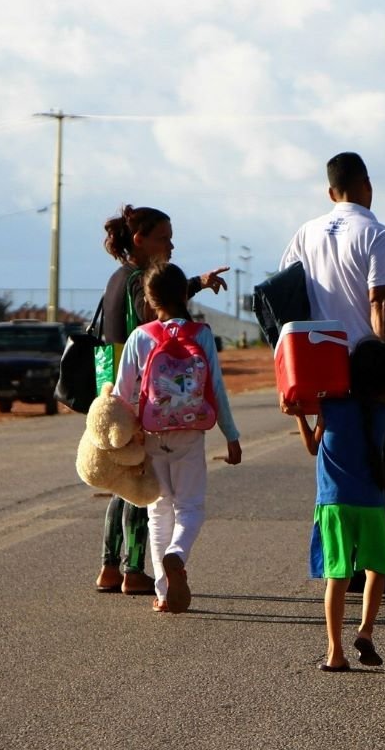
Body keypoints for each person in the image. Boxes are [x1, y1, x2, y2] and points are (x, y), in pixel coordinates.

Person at [94, 205, 229, 596]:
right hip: (143, 396)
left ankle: (109, 565)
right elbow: (157, 315)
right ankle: (135, 568)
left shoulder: (116, 278)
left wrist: (197, 282)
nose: (171, 245)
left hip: (112, 387)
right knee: (145, 486)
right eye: (164, 238)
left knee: (124, 479)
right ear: (140, 241)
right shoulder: (139, 281)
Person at [112, 262, 242, 613]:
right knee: (191, 507)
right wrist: (231, 435)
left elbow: (123, 395)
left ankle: (163, 592)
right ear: (184, 294)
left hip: (152, 434)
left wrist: (121, 440)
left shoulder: (140, 337)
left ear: (150, 299)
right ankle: (177, 555)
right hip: (190, 431)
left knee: (159, 513)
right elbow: (216, 387)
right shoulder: (201, 335)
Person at [283, 338, 385, 672]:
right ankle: (365, 630)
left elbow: (311, 447)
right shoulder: (382, 414)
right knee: (376, 569)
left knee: (337, 577)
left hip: (334, 504)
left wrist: (298, 417)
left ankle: (335, 652)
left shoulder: (331, 407)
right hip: (371, 503)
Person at [280, 152, 385, 344]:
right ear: (367, 184)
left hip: (316, 351)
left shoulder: (307, 231)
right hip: (361, 356)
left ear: (331, 194)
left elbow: (286, 288)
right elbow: (379, 301)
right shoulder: (379, 235)